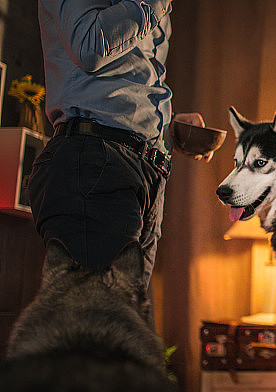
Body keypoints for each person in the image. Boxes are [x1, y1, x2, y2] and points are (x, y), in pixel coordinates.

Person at [30, 0, 213, 291]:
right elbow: (90, 45)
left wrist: (166, 128)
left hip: (140, 173)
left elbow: (127, 85)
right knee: (98, 314)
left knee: (124, 314)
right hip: (95, 164)